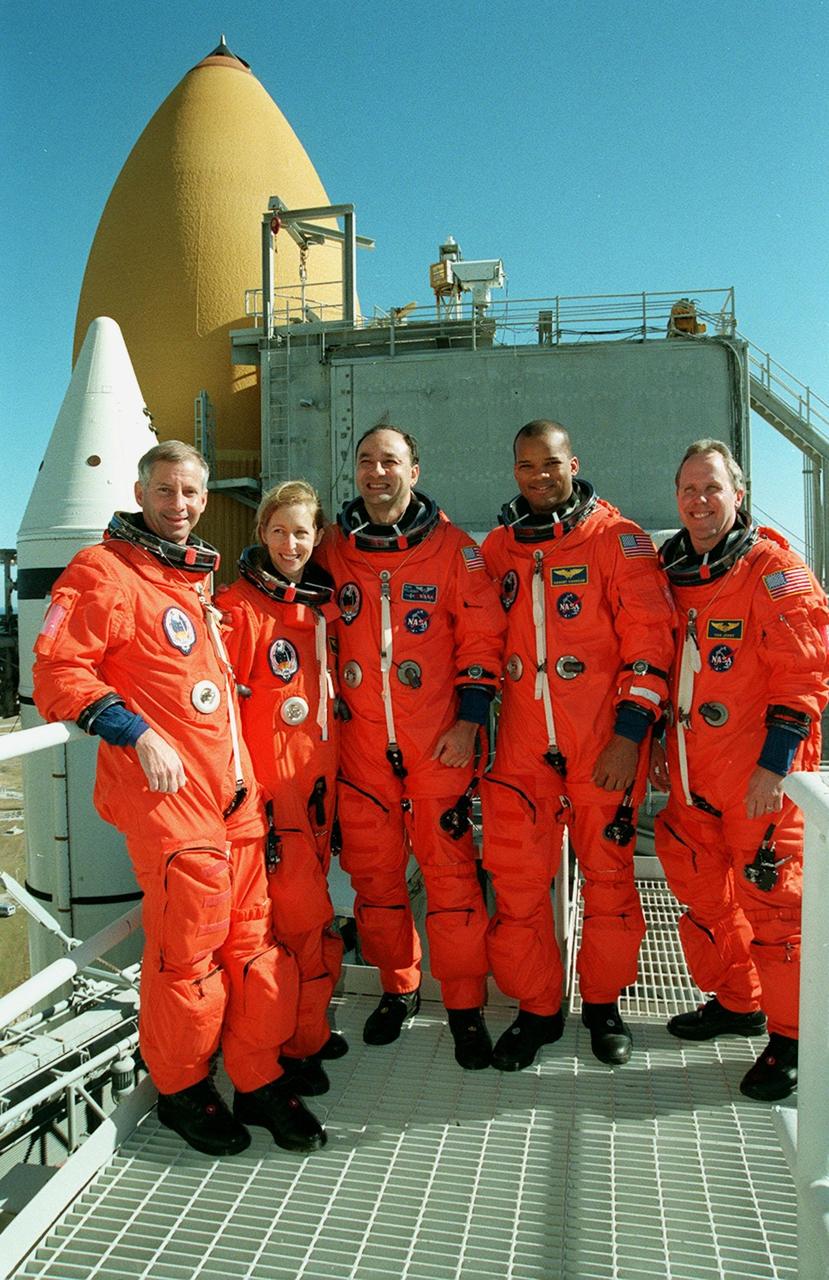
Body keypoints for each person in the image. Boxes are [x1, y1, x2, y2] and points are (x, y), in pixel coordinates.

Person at [32, 441, 326, 1156]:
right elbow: (56, 675)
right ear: (140, 491)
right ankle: (183, 1089)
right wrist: (135, 733)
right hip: (168, 801)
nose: (180, 505)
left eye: (191, 493)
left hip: (232, 794)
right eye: (166, 491)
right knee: (187, 956)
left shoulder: (189, 583)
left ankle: (255, 1077)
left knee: (253, 944)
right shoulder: (102, 571)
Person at [480, 420, 674, 1069]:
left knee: (610, 882)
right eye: (527, 465)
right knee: (518, 886)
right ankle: (536, 1010)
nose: (539, 476)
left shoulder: (618, 541)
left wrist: (627, 739)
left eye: (551, 463)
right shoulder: (500, 549)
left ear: (573, 464)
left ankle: (601, 1006)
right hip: (521, 754)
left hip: (601, 748)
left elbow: (650, 646)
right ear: (515, 473)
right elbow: (476, 641)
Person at [316, 425, 505, 1069]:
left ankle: (463, 1004)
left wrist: (470, 721)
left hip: (439, 747)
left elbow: (482, 641)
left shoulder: (454, 550)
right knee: (375, 885)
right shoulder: (332, 551)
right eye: (366, 461)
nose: (377, 472)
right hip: (362, 751)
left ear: (414, 471)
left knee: (452, 882)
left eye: (389, 461)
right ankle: (399, 990)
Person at [650, 439, 829, 1101]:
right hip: (693, 778)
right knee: (702, 897)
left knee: (777, 915)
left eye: (711, 489)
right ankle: (736, 1002)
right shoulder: (668, 575)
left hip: (757, 780)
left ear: (738, 493)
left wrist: (774, 769)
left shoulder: (773, 571)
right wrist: (665, 757)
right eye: (688, 491)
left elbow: (806, 677)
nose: (699, 502)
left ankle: (791, 1041)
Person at [218, 481, 345, 1098]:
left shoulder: (321, 609)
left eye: (302, 532)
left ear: (318, 538)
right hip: (272, 803)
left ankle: (309, 1030)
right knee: (287, 929)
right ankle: (289, 1051)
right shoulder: (238, 611)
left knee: (314, 925)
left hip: (319, 794)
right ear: (261, 533)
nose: (290, 543)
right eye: (279, 530)